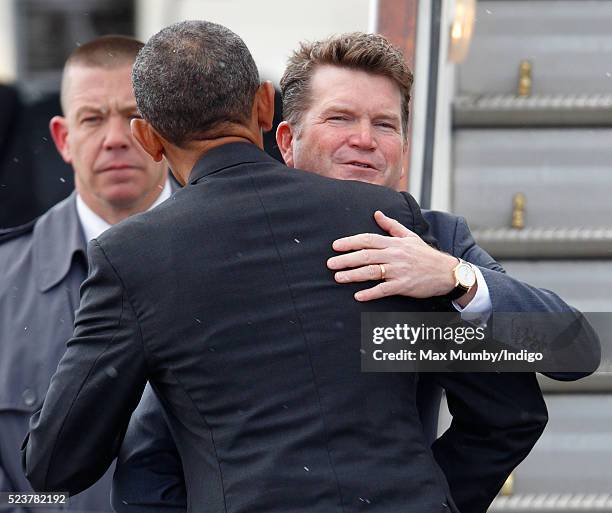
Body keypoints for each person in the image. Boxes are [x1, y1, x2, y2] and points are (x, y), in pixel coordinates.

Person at [22, 21, 548, 513]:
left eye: (384, 123)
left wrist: (459, 278)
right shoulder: (384, 230)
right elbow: (510, 406)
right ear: (271, 117)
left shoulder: (417, 246)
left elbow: (61, 466)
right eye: (340, 118)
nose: (363, 140)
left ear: (147, 138)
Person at [0, 35, 170, 512]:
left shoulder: (238, 259)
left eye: (134, 116)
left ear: (166, 127)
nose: (115, 137)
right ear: (63, 138)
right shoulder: (3, 284)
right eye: (92, 118)